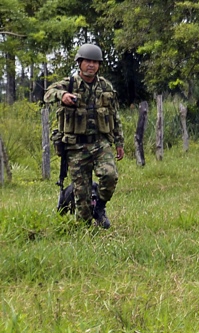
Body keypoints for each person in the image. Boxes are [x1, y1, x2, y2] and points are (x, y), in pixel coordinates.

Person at [44, 43, 124, 228]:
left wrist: (119, 142)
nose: (91, 65)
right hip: (76, 147)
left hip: (100, 143)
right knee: (82, 195)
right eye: (87, 61)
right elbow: (48, 93)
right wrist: (62, 95)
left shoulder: (105, 86)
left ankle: (100, 206)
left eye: (95, 62)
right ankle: (85, 230)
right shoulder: (69, 83)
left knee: (110, 176)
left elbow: (115, 116)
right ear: (79, 63)